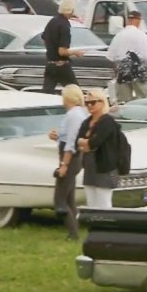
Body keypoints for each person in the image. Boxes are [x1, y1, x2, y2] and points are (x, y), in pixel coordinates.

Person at [47, 85, 88, 241]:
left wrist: (64, 165)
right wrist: (57, 137)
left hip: (70, 159)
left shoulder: (73, 115)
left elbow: (71, 142)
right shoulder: (78, 113)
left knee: (60, 200)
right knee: (69, 198)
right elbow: (69, 137)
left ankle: (73, 234)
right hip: (75, 158)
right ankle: (75, 231)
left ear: (68, 98)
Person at [76, 89, 120, 209]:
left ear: (102, 102)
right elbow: (78, 142)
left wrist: (86, 143)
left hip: (104, 167)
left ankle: (106, 227)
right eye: (87, 103)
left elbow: (95, 142)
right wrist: (85, 143)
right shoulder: (87, 122)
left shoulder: (107, 121)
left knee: (104, 203)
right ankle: (93, 225)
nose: (89, 105)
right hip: (89, 166)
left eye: (93, 102)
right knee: (91, 202)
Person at [107, 10, 147, 103]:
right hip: (138, 72)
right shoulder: (141, 35)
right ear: (139, 20)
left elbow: (112, 58)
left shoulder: (118, 35)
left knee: (123, 102)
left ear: (128, 20)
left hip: (123, 72)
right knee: (144, 100)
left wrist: (116, 73)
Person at [41, 0, 85, 94]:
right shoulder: (65, 25)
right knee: (76, 93)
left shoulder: (52, 21)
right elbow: (62, 51)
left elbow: (44, 39)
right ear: (71, 11)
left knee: (46, 93)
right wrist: (76, 52)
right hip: (62, 66)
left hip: (50, 64)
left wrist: (51, 48)